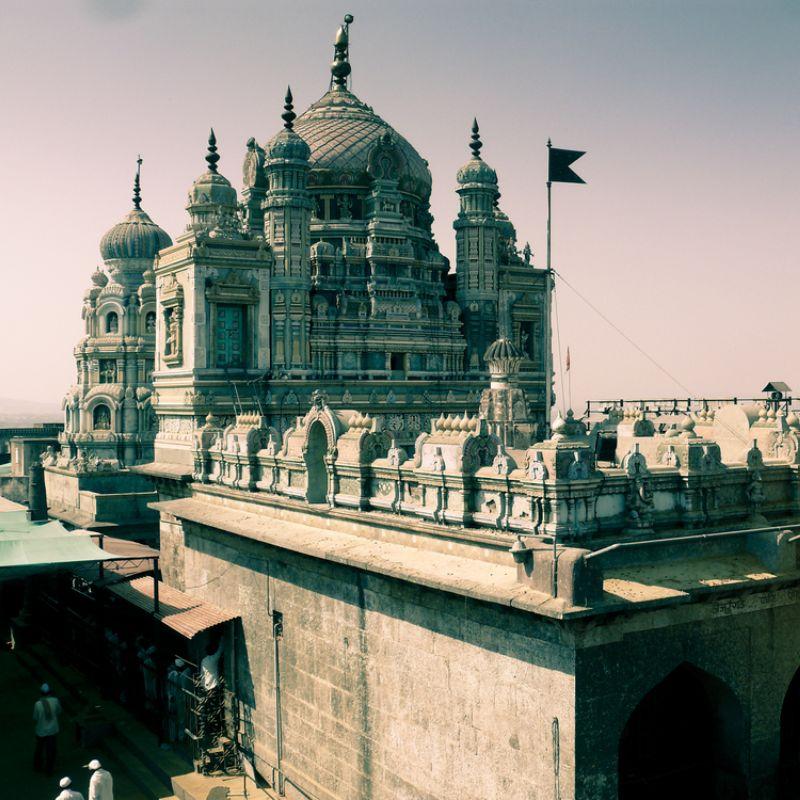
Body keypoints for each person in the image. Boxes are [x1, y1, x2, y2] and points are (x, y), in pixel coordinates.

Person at [33, 683, 62, 775]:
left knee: (39, 748)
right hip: (52, 730)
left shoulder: (37, 704)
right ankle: (49, 770)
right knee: (51, 750)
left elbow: (35, 717)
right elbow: (58, 711)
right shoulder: (55, 701)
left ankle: (37, 766)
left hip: (41, 730)